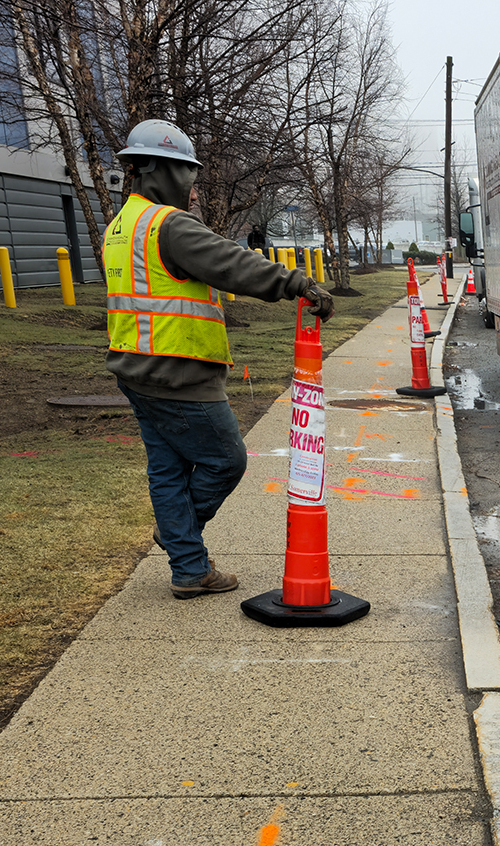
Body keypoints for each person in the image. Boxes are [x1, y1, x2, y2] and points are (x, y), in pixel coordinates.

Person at [103, 120, 333, 598]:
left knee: (167, 470)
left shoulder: (121, 226)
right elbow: (232, 263)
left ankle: (189, 569)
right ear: (162, 170)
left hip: (136, 367)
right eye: (188, 175)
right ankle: (179, 536)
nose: (192, 188)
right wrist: (297, 283)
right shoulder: (168, 225)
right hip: (178, 370)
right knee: (226, 460)